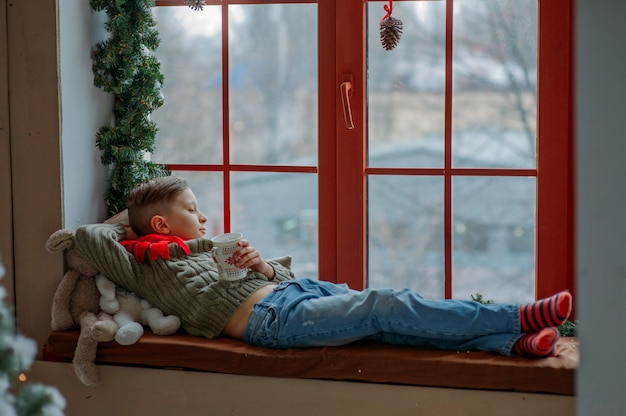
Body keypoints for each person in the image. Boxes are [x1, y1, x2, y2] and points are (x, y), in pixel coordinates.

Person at [75, 176, 572, 358]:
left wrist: (266, 270)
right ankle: (516, 318)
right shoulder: (144, 264)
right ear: (161, 221)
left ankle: (509, 343)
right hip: (272, 322)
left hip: (291, 295)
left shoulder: (209, 248)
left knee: (389, 324)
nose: (203, 217)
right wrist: (134, 222)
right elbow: (89, 237)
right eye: (192, 209)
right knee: (386, 304)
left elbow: (283, 279)